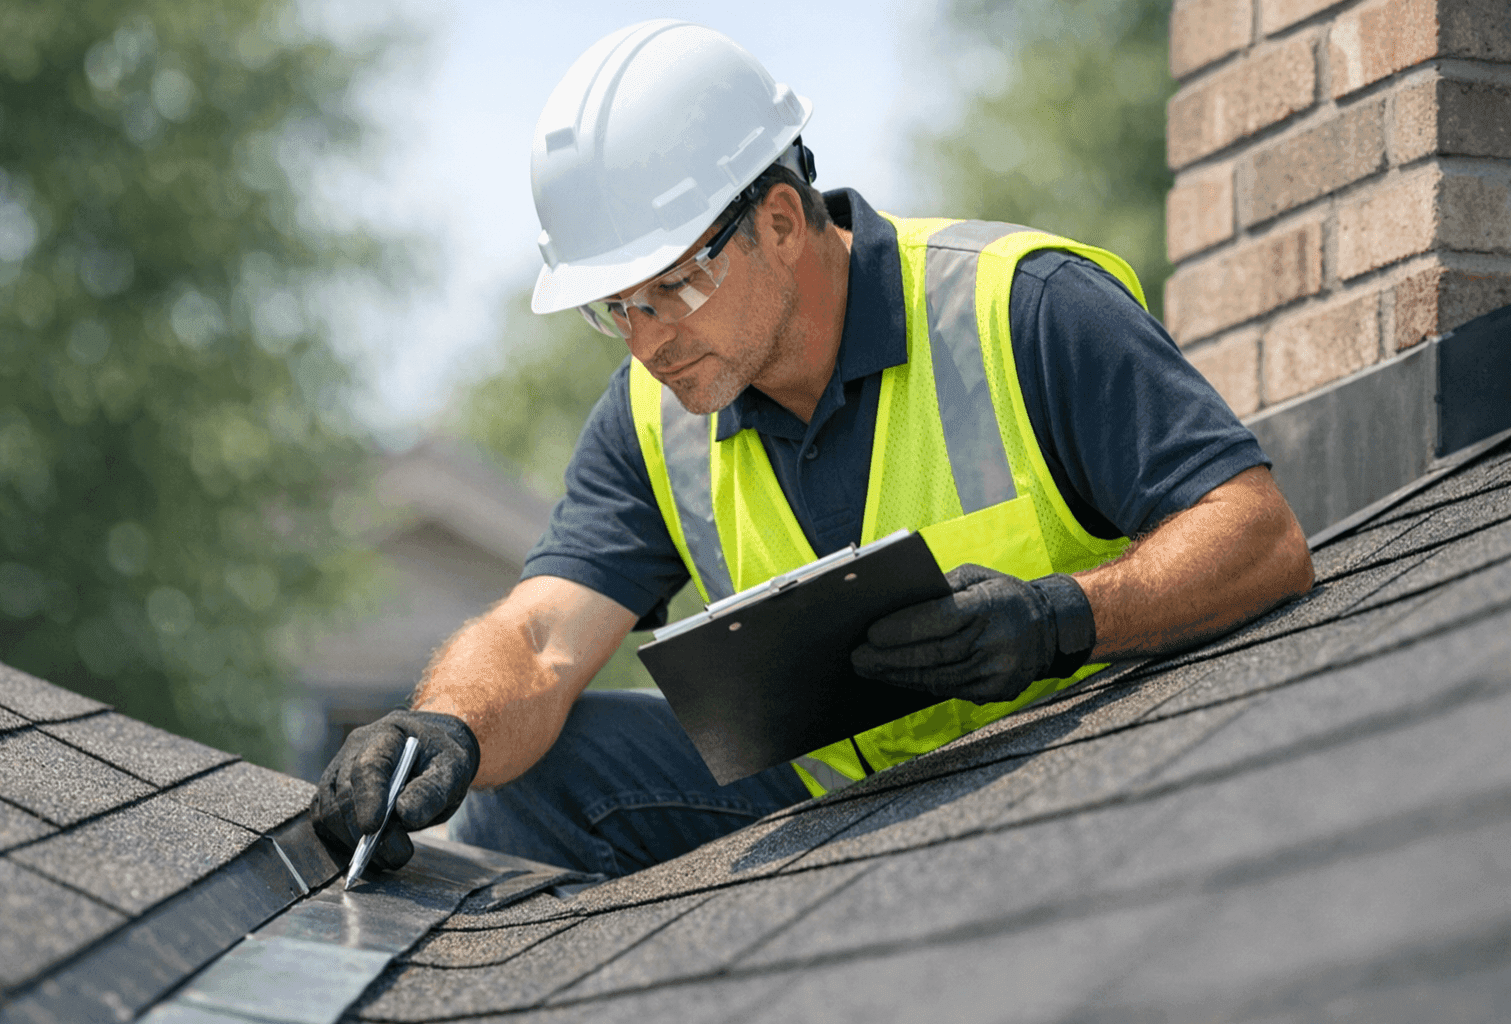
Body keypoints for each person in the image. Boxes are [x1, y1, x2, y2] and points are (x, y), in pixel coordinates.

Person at [311, 20, 1313, 879]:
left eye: (671, 288)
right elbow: (537, 637)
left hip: (1078, 770)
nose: (647, 340)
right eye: (618, 307)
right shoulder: (651, 420)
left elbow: (1259, 534)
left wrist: (1063, 618)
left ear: (781, 221)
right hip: (835, 835)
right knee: (531, 775)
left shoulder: (1025, 307)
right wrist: (444, 725)